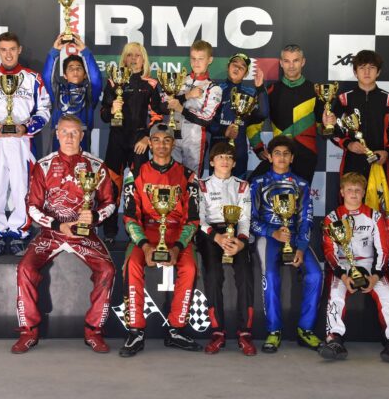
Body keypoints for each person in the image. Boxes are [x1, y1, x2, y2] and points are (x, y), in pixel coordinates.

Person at [11, 115, 115, 354]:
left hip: (84, 234)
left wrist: (95, 217)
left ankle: (94, 331)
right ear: (57, 134)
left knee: (107, 270)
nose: (69, 137)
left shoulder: (96, 166)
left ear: (82, 135)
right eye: (65, 132)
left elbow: (109, 203)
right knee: (25, 268)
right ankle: (28, 332)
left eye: (74, 132)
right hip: (52, 233)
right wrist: (58, 225)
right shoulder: (44, 165)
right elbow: (32, 207)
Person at [119, 123, 202, 357]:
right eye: (156, 140)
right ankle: (135, 331)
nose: (162, 145)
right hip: (146, 232)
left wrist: (177, 248)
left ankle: (176, 329)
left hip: (177, 232)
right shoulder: (135, 173)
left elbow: (193, 219)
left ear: (173, 144)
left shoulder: (188, 175)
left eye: (167, 140)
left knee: (189, 267)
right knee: (132, 265)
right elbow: (130, 216)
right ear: (150, 143)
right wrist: (145, 246)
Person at [318, 172, 389, 365]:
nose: (354, 194)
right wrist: (342, 275)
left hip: (370, 265)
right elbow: (329, 251)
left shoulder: (375, 216)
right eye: (349, 190)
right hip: (343, 265)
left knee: (387, 297)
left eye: (358, 190)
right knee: (336, 294)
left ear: (364, 192)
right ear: (342, 192)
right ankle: (334, 339)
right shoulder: (332, 218)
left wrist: (376, 276)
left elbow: (384, 249)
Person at [0, 32, 51, 257]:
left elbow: (44, 108)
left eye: (12, 49)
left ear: (19, 50)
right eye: (4, 50)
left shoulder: (33, 78)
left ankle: (18, 234)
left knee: (23, 190)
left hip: (23, 141)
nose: (8, 54)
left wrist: (26, 127)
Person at [250, 136, 323, 352]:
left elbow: (306, 220)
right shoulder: (257, 183)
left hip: (294, 237)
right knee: (271, 275)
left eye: (286, 154)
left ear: (292, 158)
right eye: (277, 153)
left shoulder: (302, 184)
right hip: (269, 237)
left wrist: (301, 247)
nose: (281, 157)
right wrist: (272, 232)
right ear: (270, 157)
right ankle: (274, 330)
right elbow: (250, 220)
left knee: (315, 275)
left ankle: (305, 329)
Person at [100, 42, 166, 244]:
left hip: (139, 140)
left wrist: (147, 137)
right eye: (129, 55)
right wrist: (112, 110)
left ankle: (137, 233)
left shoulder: (151, 84)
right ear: (124, 58)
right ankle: (110, 233)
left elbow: (157, 116)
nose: (134, 58)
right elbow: (103, 114)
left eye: (137, 55)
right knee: (112, 187)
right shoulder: (113, 81)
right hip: (116, 140)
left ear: (144, 58)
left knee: (139, 188)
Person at [197, 142, 255, 355]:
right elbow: (199, 219)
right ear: (212, 162)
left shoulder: (242, 185)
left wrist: (241, 242)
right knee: (213, 275)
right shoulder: (202, 184)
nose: (225, 160)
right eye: (220, 157)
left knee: (245, 275)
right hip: (210, 234)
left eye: (229, 157)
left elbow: (245, 219)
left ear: (234, 163)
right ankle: (217, 332)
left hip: (236, 234)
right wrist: (217, 237)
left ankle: (245, 333)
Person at [248, 44, 333, 184]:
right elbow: (254, 122)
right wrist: (258, 147)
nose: (291, 66)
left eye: (296, 60)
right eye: (287, 61)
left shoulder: (316, 91)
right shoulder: (270, 90)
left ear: (303, 62)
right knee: (253, 186)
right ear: (281, 63)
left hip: (306, 153)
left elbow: (322, 130)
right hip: (279, 153)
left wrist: (328, 126)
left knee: (299, 195)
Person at [332, 50, 389, 187]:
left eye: (372, 68)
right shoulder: (344, 99)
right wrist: (348, 144)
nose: (367, 72)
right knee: (351, 198)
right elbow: (332, 130)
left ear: (378, 72)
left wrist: (387, 152)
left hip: (379, 162)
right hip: (352, 162)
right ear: (355, 72)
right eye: (362, 67)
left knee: (379, 200)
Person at [165, 40, 222, 176]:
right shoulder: (179, 80)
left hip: (195, 140)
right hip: (173, 136)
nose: (196, 63)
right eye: (193, 58)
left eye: (200, 59)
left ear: (210, 60)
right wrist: (188, 95)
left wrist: (182, 109)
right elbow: (165, 104)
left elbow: (207, 119)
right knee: (171, 178)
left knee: (192, 180)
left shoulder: (213, 88)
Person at [210, 52, 268, 179]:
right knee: (215, 189)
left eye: (242, 67)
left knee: (238, 189)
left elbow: (263, 114)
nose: (237, 68)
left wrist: (260, 88)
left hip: (239, 154)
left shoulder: (251, 93)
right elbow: (207, 122)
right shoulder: (215, 89)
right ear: (228, 67)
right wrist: (224, 131)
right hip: (217, 151)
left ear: (246, 73)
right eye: (234, 64)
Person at [42, 33, 102, 152]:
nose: (75, 71)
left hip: (82, 139)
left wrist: (85, 51)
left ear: (85, 75)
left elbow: (96, 78)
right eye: (71, 68)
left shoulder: (89, 93)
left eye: (79, 68)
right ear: (65, 75)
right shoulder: (57, 91)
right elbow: (47, 77)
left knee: (82, 165)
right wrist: (54, 51)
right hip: (59, 139)